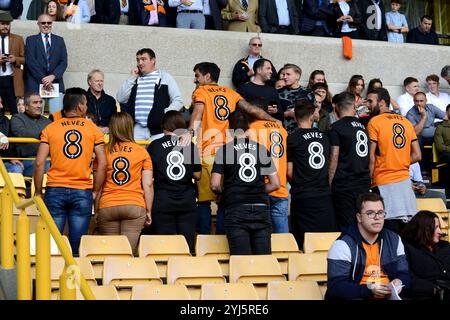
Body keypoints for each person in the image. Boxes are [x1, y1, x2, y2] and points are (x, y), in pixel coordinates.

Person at [179, 62, 278, 235]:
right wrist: (274, 120)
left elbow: (197, 112)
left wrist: (189, 132)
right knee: (225, 200)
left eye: (197, 76)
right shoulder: (231, 93)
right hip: (229, 154)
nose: (195, 80)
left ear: (207, 76)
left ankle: (204, 241)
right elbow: (251, 109)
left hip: (209, 152)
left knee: (203, 202)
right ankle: (222, 238)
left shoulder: (201, 92)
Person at [34, 87, 107, 256]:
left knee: (53, 245)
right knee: (76, 247)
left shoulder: (50, 128)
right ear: (80, 107)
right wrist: (96, 190)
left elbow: (39, 163)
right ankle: (74, 280)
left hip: (55, 189)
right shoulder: (93, 129)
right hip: (82, 191)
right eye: (86, 104)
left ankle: (50, 279)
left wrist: (38, 192)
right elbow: (102, 163)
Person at [211, 110, 279, 255]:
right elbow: (275, 184)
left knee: (241, 262)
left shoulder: (224, 150)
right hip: (261, 207)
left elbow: (215, 184)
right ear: (248, 128)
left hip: (236, 207)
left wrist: (228, 191)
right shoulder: (262, 149)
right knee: (264, 261)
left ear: (230, 129)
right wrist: (257, 189)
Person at [326, 193, 410, 300]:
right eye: (370, 213)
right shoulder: (342, 245)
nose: (377, 217)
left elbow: (404, 274)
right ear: (359, 217)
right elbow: (336, 287)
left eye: (380, 213)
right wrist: (369, 290)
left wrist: (399, 282)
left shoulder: (394, 240)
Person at [96, 112, 152, 255]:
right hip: (134, 204)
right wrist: (149, 211)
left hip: (108, 204)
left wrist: (97, 209)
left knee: (111, 253)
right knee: (128, 252)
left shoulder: (103, 151)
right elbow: (148, 185)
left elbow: (99, 184)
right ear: (129, 127)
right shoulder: (142, 151)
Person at [367, 88, 421, 234]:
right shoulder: (406, 121)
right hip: (404, 182)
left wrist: (367, 180)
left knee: (387, 233)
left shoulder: (374, 122)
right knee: (405, 232)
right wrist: (399, 161)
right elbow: (417, 155)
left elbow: (371, 157)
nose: (368, 105)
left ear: (382, 102)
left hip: (383, 181)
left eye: (371, 101)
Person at [147, 111, 201, 253]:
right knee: (187, 246)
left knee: (165, 248)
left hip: (163, 200)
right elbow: (198, 175)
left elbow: (148, 177)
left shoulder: (154, 146)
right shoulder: (190, 145)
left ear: (163, 126)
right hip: (186, 200)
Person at [287, 100, 337, 249]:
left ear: (295, 118)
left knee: (303, 244)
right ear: (311, 116)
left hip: (302, 196)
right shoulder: (324, 137)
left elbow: (289, 172)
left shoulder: (292, 138)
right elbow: (330, 164)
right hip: (323, 196)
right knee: (326, 243)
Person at [117, 48, 183, 141]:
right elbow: (120, 98)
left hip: (159, 129)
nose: (140, 63)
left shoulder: (165, 77)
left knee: (156, 154)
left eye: (143, 59)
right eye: (138, 60)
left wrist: (164, 114)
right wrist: (132, 77)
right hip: (137, 129)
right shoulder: (135, 79)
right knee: (137, 155)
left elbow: (178, 100)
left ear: (153, 60)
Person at [328, 92, 370, 229]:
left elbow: (334, 158)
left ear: (336, 108)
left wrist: (328, 183)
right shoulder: (364, 127)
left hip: (344, 184)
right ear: (353, 106)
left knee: (346, 226)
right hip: (363, 182)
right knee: (361, 224)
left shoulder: (336, 128)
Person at [248, 98, 288, 233]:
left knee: (262, 236)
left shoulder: (252, 129)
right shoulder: (282, 129)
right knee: (283, 239)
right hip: (281, 186)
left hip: (263, 187)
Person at [401, 210, 450, 300]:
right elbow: (408, 278)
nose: (440, 232)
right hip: (428, 295)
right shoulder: (408, 248)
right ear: (424, 229)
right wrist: (435, 289)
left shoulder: (445, 246)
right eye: (436, 227)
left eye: (439, 227)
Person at [25, 14, 67, 114]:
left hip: (55, 83)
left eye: (49, 22)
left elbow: (63, 62)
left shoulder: (59, 40)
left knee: (56, 116)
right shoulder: (31, 40)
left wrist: (53, 76)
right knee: (35, 116)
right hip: (36, 83)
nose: (46, 25)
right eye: (43, 23)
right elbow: (30, 62)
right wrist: (44, 79)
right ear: (38, 24)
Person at [10, 93, 51, 176]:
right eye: (35, 102)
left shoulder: (47, 121)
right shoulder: (17, 118)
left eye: (40, 102)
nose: (39, 105)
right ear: (27, 106)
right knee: (50, 165)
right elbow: (21, 132)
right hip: (26, 161)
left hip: (46, 159)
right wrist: (43, 134)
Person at [278, 63, 315, 133]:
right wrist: (287, 114)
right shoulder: (278, 93)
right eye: (283, 74)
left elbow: (315, 114)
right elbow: (273, 115)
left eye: (288, 74)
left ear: (297, 76)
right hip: (284, 133)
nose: (285, 77)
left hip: (304, 134)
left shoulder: (308, 93)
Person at [0, 11, 24, 115]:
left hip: (12, 80)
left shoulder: (18, 39)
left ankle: (15, 131)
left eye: (8, 24)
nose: (5, 26)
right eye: (2, 23)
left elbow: (25, 59)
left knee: (15, 112)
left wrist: (15, 59)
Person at [86, 69, 116, 134]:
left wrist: (109, 128)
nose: (100, 83)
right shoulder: (83, 99)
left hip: (107, 135)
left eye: (101, 81)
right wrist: (95, 129)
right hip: (88, 134)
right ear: (90, 82)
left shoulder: (110, 100)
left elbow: (115, 120)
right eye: (97, 81)